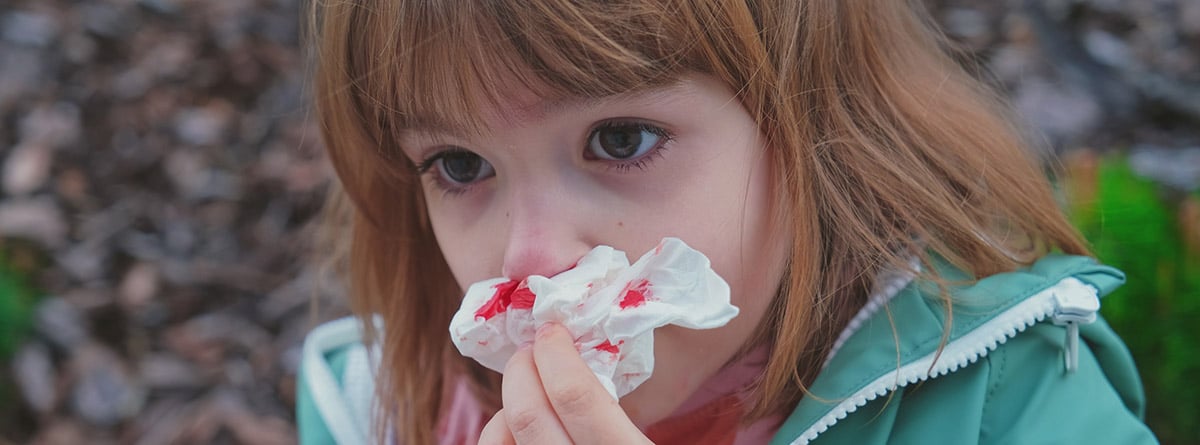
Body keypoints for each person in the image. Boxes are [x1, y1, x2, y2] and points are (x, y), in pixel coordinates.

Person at [295, 0, 1159, 444]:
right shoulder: (374, 410)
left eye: (619, 138)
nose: (533, 256)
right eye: (460, 165)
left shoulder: (1007, 406)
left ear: (814, 128)